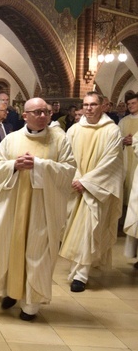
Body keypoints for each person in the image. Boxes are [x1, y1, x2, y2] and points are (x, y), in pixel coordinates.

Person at [0, 98, 76, 321]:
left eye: (46, 111)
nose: (43, 115)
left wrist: (40, 164)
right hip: (13, 206)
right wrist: (13, 166)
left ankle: (31, 304)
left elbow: (69, 170)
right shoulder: (12, 139)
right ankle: (11, 291)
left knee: (38, 252)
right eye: (37, 112)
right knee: (9, 247)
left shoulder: (60, 139)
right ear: (25, 116)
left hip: (42, 208)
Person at [60, 92, 124, 292]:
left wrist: (87, 182)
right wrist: (76, 179)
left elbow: (111, 162)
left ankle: (81, 275)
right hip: (75, 186)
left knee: (89, 228)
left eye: (93, 104)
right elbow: (67, 156)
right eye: (86, 104)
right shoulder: (74, 130)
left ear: (103, 106)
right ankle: (78, 266)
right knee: (73, 228)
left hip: (96, 189)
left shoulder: (112, 131)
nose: (89, 108)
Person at [120, 92, 138, 203]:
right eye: (128, 104)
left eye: (133, 103)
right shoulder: (123, 121)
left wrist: (135, 141)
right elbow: (116, 138)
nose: (130, 106)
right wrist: (123, 140)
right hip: (125, 156)